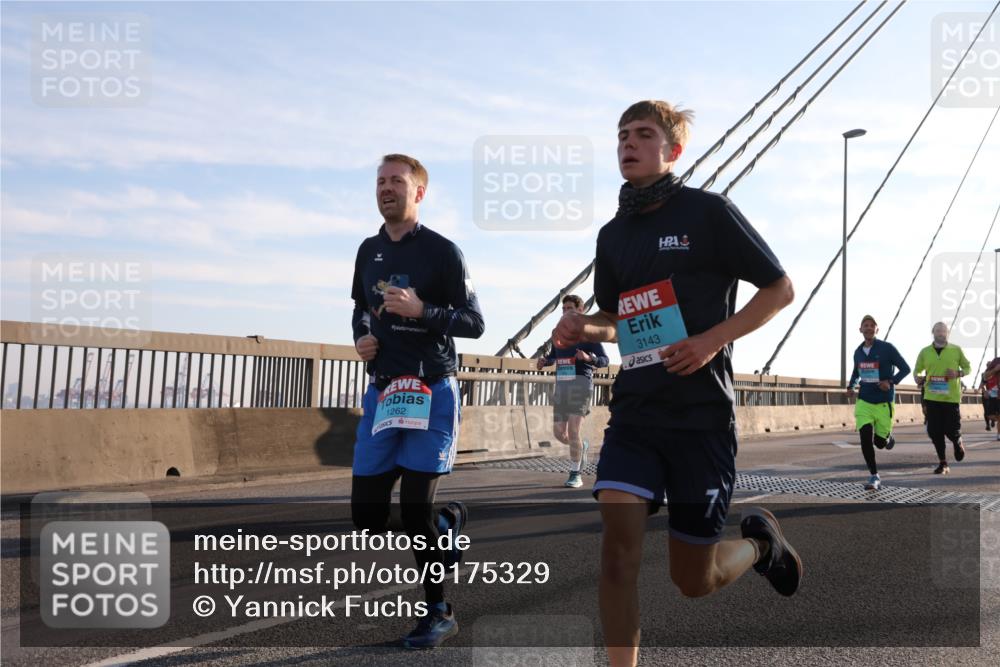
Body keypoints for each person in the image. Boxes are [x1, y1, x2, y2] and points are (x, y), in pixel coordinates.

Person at [553, 100, 799, 667]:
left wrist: (712, 340)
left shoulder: (709, 213)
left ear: (674, 150)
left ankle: (760, 545)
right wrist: (584, 326)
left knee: (694, 579)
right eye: (622, 135)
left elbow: (779, 289)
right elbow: (617, 320)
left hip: (700, 417)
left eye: (643, 134)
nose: (628, 143)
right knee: (617, 555)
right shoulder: (613, 235)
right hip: (636, 415)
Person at [350, 153, 485, 648]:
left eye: (397, 181)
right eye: (381, 181)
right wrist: (362, 337)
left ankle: (438, 611)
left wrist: (422, 310)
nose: (386, 188)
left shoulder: (444, 252)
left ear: (419, 192)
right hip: (384, 392)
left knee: (413, 512)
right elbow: (361, 309)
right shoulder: (368, 250)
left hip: (431, 390)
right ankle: (445, 524)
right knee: (366, 516)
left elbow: (474, 323)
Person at [537, 294, 610, 487]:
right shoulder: (558, 334)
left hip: (581, 384)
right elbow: (554, 356)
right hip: (562, 385)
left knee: (573, 429)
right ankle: (581, 447)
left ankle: (575, 473)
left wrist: (589, 358)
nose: (565, 312)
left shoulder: (588, 334)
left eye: (569, 308)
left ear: (580, 310)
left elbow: (605, 360)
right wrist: (545, 361)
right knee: (559, 433)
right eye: (563, 309)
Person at [845, 315, 910, 491]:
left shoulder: (887, 348)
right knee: (865, 438)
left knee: (879, 443)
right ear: (860, 329)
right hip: (864, 400)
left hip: (883, 402)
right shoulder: (858, 352)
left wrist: (890, 381)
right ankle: (874, 476)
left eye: (872, 325)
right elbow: (856, 373)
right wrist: (851, 386)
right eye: (865, 325)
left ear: (876, 329)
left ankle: (887, 438)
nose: (868, 328)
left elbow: (905, 368)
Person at [913, 322, 970, 475]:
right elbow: (917, 370)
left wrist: (958, 373)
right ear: (933, 332)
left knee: (951, 430)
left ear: (947, 334)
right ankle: (943, 463)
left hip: (951, 398)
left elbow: (968, 367)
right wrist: (917, 377)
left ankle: (957, 441)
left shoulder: (956, 350)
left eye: (944, 331)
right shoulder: (925, 352)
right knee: (934, 431)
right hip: (931, 396)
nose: (941, 333)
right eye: (938, 330)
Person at [982, 357, 1000, 440]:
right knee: (990, 415)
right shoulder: (996, 361)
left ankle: (999, 434)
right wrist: (995, 370)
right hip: (993, 394)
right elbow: (985, 376)